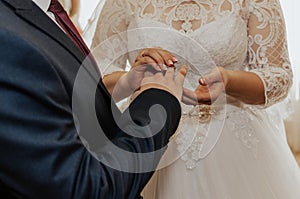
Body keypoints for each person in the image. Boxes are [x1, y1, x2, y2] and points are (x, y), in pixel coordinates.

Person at [90, 0, 300, 198]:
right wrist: (130, 79)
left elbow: (279, 76)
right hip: (148, 137)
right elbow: (92, 81)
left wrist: (229, 80)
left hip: (233, 145)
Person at [0, 0, 188, 198]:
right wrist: (159, 100)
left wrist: (125, 83)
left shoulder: (39, 12)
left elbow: (67, 100)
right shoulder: (8, 38)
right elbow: (83, 188)